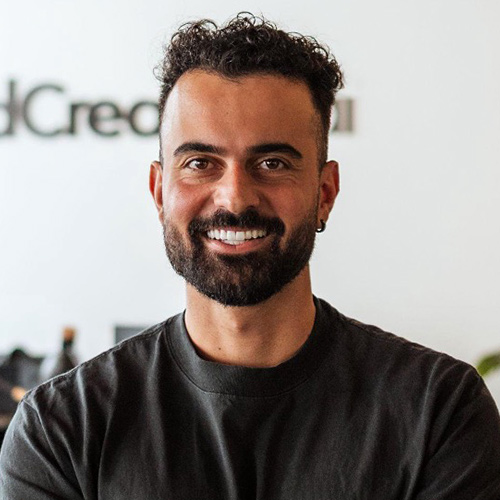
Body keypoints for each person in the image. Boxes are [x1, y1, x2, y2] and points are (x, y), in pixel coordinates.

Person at [1, 13, 499, 500]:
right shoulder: (63, 427)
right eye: (201, 162)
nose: (235, 197)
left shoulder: (439, 410)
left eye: (272, 163)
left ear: (325, 192)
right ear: (159, 191)